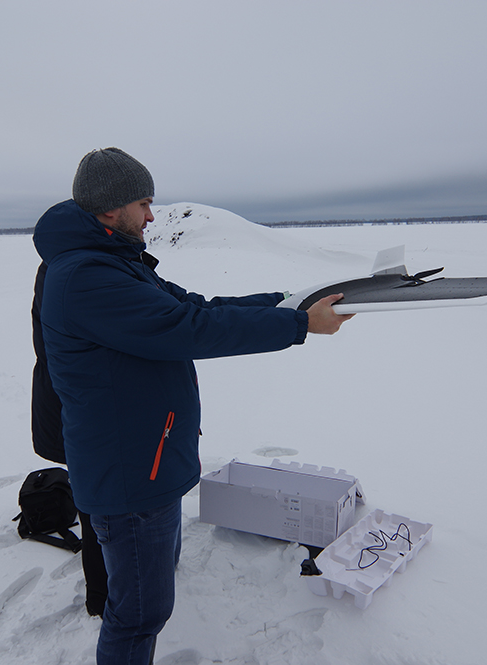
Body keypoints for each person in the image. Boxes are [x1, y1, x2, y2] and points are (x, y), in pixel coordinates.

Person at [32, 148, 353, 665]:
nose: (153, 216)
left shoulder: (113, 262)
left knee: (147, 593)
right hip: (129, 473)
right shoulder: (87, 279)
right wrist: (299, 326)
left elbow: (193, 307)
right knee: (138, 615)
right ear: (112, 210)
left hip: (147, 456)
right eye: (145, 203)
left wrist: (290, 302)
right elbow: (187, 329)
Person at [31, 260, 109, 616]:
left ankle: (108, 592)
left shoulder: (63, 267)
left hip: (74, 410)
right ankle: (103, 598)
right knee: (98, 512)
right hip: (77, 413)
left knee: (97, 506)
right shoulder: (73, 272)